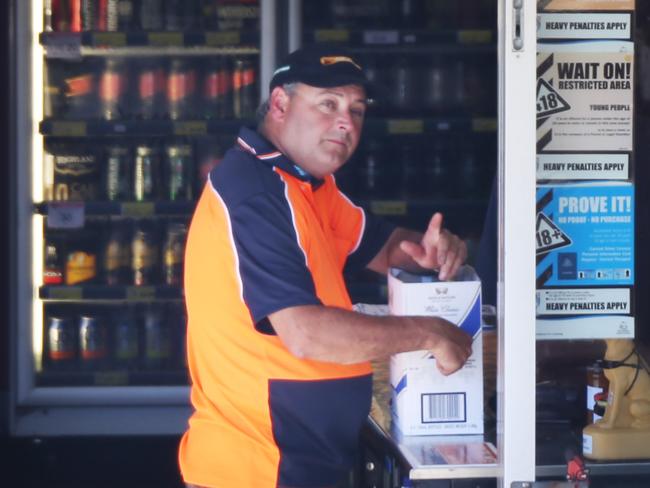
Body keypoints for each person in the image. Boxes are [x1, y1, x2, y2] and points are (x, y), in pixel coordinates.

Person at [178, 44, 472, 488]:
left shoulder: (303, 184)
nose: (345, 122)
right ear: (280, 103)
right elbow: (305, 332)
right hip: (258, 469)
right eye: (328, 104)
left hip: (298, 465)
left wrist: (432, 248)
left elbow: (384, 246)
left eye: (356, 109)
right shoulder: (256, 192)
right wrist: (430, 332)